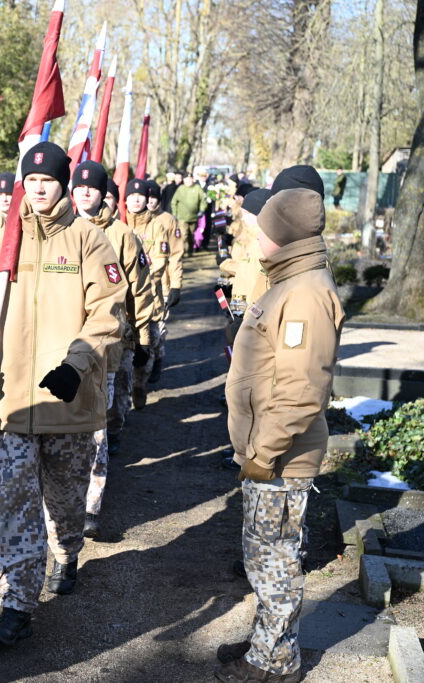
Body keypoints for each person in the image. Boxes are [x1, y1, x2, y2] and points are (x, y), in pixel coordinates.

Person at [0, 141, 125, 645]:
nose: (37, 189)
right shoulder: (4, 240)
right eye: (30, 181)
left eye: (47, 181)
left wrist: (76, 366)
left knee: (65, 500)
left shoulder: (89, 240)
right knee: (14, 501)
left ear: (62, 185)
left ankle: (67, 550)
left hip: (68, 402)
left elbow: (108, 314)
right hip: (13, 403)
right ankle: (16, 602)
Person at [215, 188, 344, 683]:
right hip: (267, 450)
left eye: (264, 228)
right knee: (263, 558)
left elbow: (300, 390)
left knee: (275, 563)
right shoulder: (290, 281)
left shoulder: (305, 293)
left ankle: (273, 662)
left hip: (281, 456)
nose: (255, 235)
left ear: (284, 234)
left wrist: (263, 453)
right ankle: (266, 642)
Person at [71, 165, 157, 537]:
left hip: (107, 347)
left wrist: (143, 339)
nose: (85, 193)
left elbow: (139, 290)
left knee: (97, 427)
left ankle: (91, 505)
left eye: (92, 187)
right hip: (62, 345)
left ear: (103, 193)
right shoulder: (59, 231)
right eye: (79, 186)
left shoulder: (122, 235)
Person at [127, 180, 182, 396]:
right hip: (126, 295)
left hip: (156, 289)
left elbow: (173, 255)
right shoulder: (120, 224)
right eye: (133, 196)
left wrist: (176, 284)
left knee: (155, 335)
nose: (144, 201)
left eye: (148, 197)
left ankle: (150, 367)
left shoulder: (164, 223)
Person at [170, 170, 206, 256]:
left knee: (191, 235)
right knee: (183, 235)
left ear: (193, 179)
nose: (188, 181)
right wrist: (174, 213)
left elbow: (203, 201)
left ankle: (190, 251)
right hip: (182, 217)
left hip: (194, 217)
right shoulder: (180, 189)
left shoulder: (197, 188)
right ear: (184, 180)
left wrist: (202, 210)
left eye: (190, 179)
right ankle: (182, 253)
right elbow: (174, 202)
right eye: (186, 179)